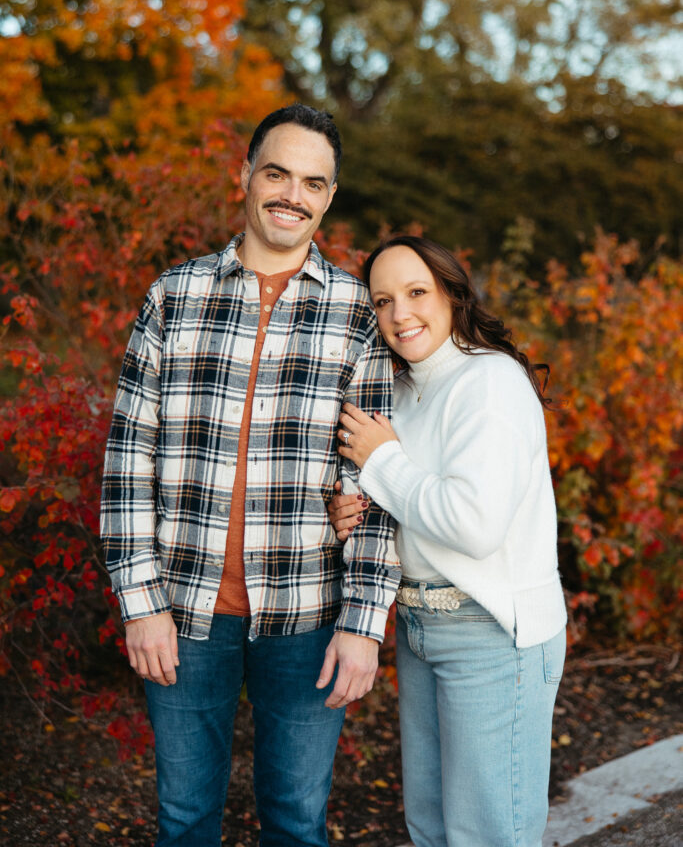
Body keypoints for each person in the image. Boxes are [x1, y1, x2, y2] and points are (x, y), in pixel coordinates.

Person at [100, 104, 401, 847]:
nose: (291, 195)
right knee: (183, 819)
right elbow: (127, 453)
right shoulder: (175, 296)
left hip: (306, 614)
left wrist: (364, 624)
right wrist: (139, 602)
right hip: (183, 607)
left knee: (297, 822)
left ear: (329, 196)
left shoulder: (356, 315)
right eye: (277, 173)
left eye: (312, 182)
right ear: (245, 176)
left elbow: (378, 480)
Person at [328, 234, 567, 847]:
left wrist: (382, 465)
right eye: (382, 302)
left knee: (489, 835)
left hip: (490, 633)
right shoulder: (401, 392)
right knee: (431, 829)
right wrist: (353, 511)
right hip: (418, 626)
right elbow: (412, 503)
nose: (399, 314)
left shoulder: (488, 382)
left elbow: (473, 524)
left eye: (416, 293)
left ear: (453, 295)